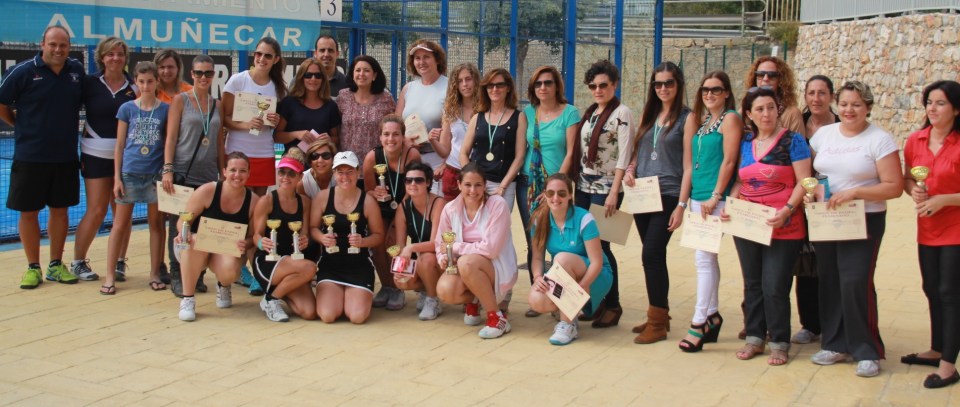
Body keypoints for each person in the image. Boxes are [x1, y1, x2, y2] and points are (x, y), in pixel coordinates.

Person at [806, 80, 903, 378]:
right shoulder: (823, 135)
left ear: (868, 108)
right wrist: (810, 191)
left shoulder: (880, 140)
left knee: (855, 281)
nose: (849, 110)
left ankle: (867, 349)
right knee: (831, 280)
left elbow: (894, 187)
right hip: (827, 219)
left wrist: (856, 193)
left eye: (857, 105)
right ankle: (836, 344)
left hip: (864, 220)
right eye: (845, 104)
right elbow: (811, 172)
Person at [724, 87, 811, 365]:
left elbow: (804, 181)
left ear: (778, 110)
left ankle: (780, 341)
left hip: (784, 225)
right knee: (752, 284)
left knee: (775, 285)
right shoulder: (746, 143)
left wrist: (787, 210)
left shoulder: (793, 141)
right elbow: (740, 180)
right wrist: (731, 203)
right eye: (759, 109)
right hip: (748, 224)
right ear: (748, 114)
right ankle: (754, 338)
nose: (766, 114)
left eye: (771, 107)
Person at [0, 26, 84, 289]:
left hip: (65, 156)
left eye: (63, 45)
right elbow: (2, 103)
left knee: (60, 212)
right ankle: (32, 267)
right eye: (53, 44)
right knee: (29, 212)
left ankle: (56, 265)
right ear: (42, 44)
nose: (58, 49)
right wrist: (18, 124)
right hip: (30, 156)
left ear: (69, 46)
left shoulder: (76, 71)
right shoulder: (22, 71)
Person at [623, 61, 695, 343]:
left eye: (669, 83)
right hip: (642, 192)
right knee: (653, 257)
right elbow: (637, 151)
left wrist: (682, 204)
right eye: (658, 84)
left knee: (651, 254)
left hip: (667, 193)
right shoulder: (649, 114)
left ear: (678, 85)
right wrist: (630, 171)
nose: (663, 88)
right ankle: (659, 315)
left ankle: (657, 322)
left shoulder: (687, 118)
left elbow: (688, 165)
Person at [677, 71, 743, 352]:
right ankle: (712, 316)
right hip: (698, 198)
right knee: (705, 259)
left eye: (716, 90)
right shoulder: (704, 122)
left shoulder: (730, 119)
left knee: (704, 261)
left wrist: (717, 196)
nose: (710, 94)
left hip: (715, 200)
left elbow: (729, 161)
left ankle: (698, 321)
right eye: (705, 90)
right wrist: (685, 201)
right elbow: (691, 165)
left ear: (727, 92)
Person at [901, 80, 960, 389]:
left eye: (940, 103)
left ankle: (949, 366)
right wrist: (916, 194)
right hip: (928, 228)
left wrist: (944, 199)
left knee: (951, 294)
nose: (932, 109)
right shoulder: (916, 140)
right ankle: (937, 348)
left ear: (956, 109)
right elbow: (908, 179)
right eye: (929, 103)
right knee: (932, 289)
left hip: (957, 230)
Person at [570, 60, 634, 328]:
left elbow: (624, 153)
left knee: (603, 247)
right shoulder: (591, 113)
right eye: (593, 86)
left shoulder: (622, 113)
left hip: (606, 188)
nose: (598, 90)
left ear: (614, 85)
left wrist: (614, 190)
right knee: (586, 246)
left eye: (603, 85)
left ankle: (614, 304)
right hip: (583, 186)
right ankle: (595, 302)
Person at [72, 36, 138, 283]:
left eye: (120, 54)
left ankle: (119, 262)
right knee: (97, 209)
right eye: (110, 54)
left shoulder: (135, 86)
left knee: (121, 212)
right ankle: (78, 261)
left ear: (125, 58)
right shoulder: (89, 84)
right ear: (102, 57)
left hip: (127, 159)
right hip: (95, 154)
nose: (115, 58)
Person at [101, 61, 170, 295]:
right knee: (119, 224)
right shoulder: (127, 109)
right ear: (136, 83)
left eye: (150, 81)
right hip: (129, 173)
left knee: (156, 225)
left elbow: (167, 142)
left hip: (154, 175)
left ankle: (154, 273)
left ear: (157, 82)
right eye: (141, 82)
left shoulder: (165, 110)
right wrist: (116, 178)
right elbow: (119, 145)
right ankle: (110, 275)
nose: (146, 85)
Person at [518, 66, 580, 318]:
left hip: (557, 188)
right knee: (535, 239)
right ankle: (539, 292)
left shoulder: (570, 113)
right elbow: (521, 150)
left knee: (559, 241)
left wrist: (555, 187)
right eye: (538, 84)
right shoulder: (528, 113)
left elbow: (571, 151)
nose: (543, 88)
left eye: (548, 83)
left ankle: (561, 295)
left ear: (557, 86)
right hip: (529, 185)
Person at [162, 55, 224, 297]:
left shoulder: (217, 105)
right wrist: (168, 168)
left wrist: (223, 174)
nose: (203, 77)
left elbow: (219, 142)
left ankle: (197, 273)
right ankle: (177, 274)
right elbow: (170, 137)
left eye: (208, 73)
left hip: (208, 176)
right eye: (199, 73)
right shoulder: (181, 101)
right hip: (182, 174)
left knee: (203, 227)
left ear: (213, 76)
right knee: (179, 228)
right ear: (192, 74)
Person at [527, 174, 613, 345]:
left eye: (561, 193)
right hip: (564, 275)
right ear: (544, 194)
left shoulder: (584, 218)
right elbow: (537, 257)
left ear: (570, 196)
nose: (556, 198)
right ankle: (569, 313)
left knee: (561, 258)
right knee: (536, 300)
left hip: (594, 276)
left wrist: (581, 287)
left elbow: (596, 262)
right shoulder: (539, 219)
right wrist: (537, 278)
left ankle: (567, 325)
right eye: (550, 193)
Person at [435, 162, 518, 339]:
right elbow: (440, 242)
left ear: (485, 185)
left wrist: (455, 247)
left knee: (466, 262)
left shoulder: (498, 205)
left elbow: (490, 249)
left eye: (478, 185)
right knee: (445, 290)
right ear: (459, 185)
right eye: (467, 185)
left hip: (496, 266)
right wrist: (443, 256)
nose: (473, 190)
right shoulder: (450, 209)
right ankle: (474, 300)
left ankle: (496, 318)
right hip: (469, 266)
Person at [176, 152, 259, 321]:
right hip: (195, 248)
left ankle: (224, 284)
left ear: (249, 174)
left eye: (242, 171)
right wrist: (183, 234)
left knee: (230, 270)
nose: (237, 175)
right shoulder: (207, 191)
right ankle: (188, 299)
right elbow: (182, 221)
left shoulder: (253, 201)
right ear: (224, 172)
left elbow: (252, 237)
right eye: (233, 170)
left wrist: (246, 243)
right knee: (194, 241)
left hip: (224, 251)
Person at [309, 151, 385, 324]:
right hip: (330, 265)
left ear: (358, 172)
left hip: (359, 266)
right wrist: (322, 238)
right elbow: (312, 228)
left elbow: (379, 236)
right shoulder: (322, 197)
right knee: (328, 316)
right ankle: (338, 296)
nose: (345, 176)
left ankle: (355, 297)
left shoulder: (367, 201)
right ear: (334, 174)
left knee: (357, 317)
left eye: (349, 171)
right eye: (340, 172)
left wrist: (363, 242)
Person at [792, 74, 840, 345]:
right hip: (804, 204)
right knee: (806, 263)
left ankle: (834, 322)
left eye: (822, 93)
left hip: (835, 205)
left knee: (832, 264)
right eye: (811, 93)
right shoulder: (799, 124)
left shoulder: (842, 124)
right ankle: (809, 324)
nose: (816, 98)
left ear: (831, 96)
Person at [363, 114, 421, 310]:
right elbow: (368, 192)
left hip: (406, 205)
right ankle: (386, 285)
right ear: (379, 137)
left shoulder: (411, 155)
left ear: (403, 136)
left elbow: (414, 191)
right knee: (379, 244)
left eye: (396, 134)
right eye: (386, 134)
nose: (391, 139)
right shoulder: (372, 157)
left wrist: (399, 217)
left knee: (394, 243)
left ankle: (399, 287)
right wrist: (375, 191)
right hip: (382, 208)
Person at [251, 155, 318, 322]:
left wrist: (304, 239)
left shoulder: (305, 202)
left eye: (291, 174)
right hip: (269, 261)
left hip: (293, 263)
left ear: (300, 177)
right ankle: (271, 301)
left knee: (309, 312)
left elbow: (304, 233)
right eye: (282, 172)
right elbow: (255, 235)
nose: (285, 177)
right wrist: (261, 242)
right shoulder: (266, 201)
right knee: (310, 268)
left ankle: (276, 293)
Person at [222, 37, 286, 196]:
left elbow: (273, 125)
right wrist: (246, 125)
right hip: (238, 152)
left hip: (264, 153)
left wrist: (274, 122)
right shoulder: (237, 81)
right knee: (239, 203)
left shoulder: (278, 88)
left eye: (268, 56)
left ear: (276, 59)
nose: (262, 59)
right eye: (259, 53)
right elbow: (224, 118)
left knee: (258, 206)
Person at [458, 68, 527, 213]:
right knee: (475, 228)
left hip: (504, 184)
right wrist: (472, 180)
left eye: (500, 85)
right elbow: (463, 152)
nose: (495, 89)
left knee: (498, 229)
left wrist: (503, 186)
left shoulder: (519, 117)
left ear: (508, 88)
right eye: (490, 85)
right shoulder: (477, 117)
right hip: (477, 184)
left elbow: (520, 157)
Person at [392, 161, 447, 320]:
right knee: (401, 282)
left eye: (419, 180)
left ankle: (432, 299)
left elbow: (436, 244)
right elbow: (400, 245)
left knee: (426, 258)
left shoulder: (438, 203)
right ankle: (426, 290)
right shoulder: (403, 207)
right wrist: (399, 269)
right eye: (409, 180)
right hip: (420, 258)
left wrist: (411, 248)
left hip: (441, 259)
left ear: (428, 182)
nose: (413, 184)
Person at [396, 40, 448, 179]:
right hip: (409, 156)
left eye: (426, 57)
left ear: (437, 59)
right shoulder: (408, 88)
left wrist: (447, 163)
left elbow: (457, 128)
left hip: (437, 160)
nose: (421, 62)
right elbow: (397, 123)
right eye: (417, 58)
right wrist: (405, 141)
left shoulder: (449, 87)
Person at [336, 55, 396, 170]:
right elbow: (335, 127)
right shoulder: (343, 97)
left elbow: (393, 127)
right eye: (358, 70)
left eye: (367, 70)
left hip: (377, 164)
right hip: (347, 165)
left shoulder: (386, 98)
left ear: (374, 75)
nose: (361, 74)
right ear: (352, 74)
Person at [276, 58, 341, 152]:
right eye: (308, 75)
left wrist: (329, 140)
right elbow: (276, 136)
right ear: (301, 78)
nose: (313, 79)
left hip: (321, 162)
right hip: (294, 162)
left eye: (318, 75)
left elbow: (337, 138)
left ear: (323, 79)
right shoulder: (289, 103)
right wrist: (296, 134)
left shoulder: (331, 106)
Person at [437, 63, 481, 201]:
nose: (464, 84)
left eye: (468, 79)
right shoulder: (449, 110)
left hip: (480, 172)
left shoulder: (486, 108)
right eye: (460, 81)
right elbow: (445, 147)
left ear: (476, 81)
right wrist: (432, 141)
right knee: (453, 219)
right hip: (454, 171)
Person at [744, 56, 806, 137]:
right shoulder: (746, 110)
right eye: (760, 75)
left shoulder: (792, 114)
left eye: (772, 75)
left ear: (780, 80)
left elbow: (798, 147)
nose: (765, 79)